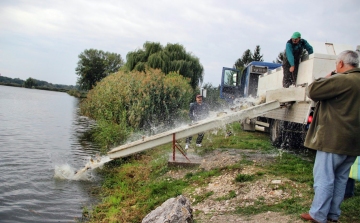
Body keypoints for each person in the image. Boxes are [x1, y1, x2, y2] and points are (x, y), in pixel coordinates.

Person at [300, 50, 360, 223]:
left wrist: (328, 76)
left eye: (336, 64)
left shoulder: (342, 80)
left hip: (334, 139)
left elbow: (313, 90)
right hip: (354, 141)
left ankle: (318, 215)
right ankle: (333, 215)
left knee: (324, 177)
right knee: (341, 178)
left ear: (340, 64)